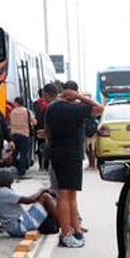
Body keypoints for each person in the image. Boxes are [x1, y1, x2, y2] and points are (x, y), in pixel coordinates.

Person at [44, 80, 103, 248]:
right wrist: (78, 96)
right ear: (71, 93)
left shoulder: (51, 108)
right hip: (71, 156)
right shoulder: (74, 108)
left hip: (59, 154)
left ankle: (76, 230)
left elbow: (47, 133)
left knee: (70, 195)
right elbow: (99, 108)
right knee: (65, 194)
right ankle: (65, 234)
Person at [0, 168, 59, 237]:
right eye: (11, 176)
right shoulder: (5, 192)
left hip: (19, 224)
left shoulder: (2, 191)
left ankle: (60, 222)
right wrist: (41, 190)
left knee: (43, 198)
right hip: (19, 227)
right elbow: (29, 200)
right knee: (45, 197)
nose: (12, 178)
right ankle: (62, 224)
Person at [9, 97, 37, 178]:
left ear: (17, 103)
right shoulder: (27, 111)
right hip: (24, 135)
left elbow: (9, 122)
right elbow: (34, 122)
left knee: (14, 153)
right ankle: (21, 173)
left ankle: (12, 171)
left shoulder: (12, 112)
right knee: (23, 154)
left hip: (14, 135)